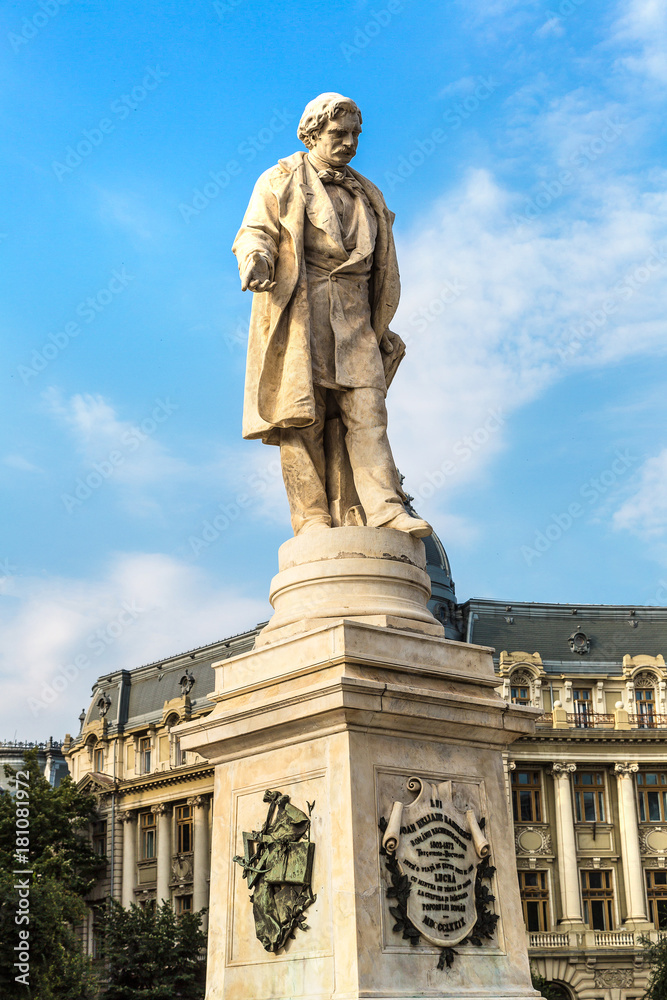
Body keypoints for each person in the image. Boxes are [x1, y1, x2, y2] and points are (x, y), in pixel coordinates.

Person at [233, 92, 431, 539]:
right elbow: (255, 231)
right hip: (301, 312)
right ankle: (312, 516)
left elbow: (379, 263)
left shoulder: (368, 192)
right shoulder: (280, 179)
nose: (349, 142)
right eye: (338, 134)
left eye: (355, 134)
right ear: (313, 134)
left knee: (368, 412)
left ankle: (383, 505)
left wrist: (381, 324)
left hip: (356, 316)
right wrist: (257, 259)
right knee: (304, 417)